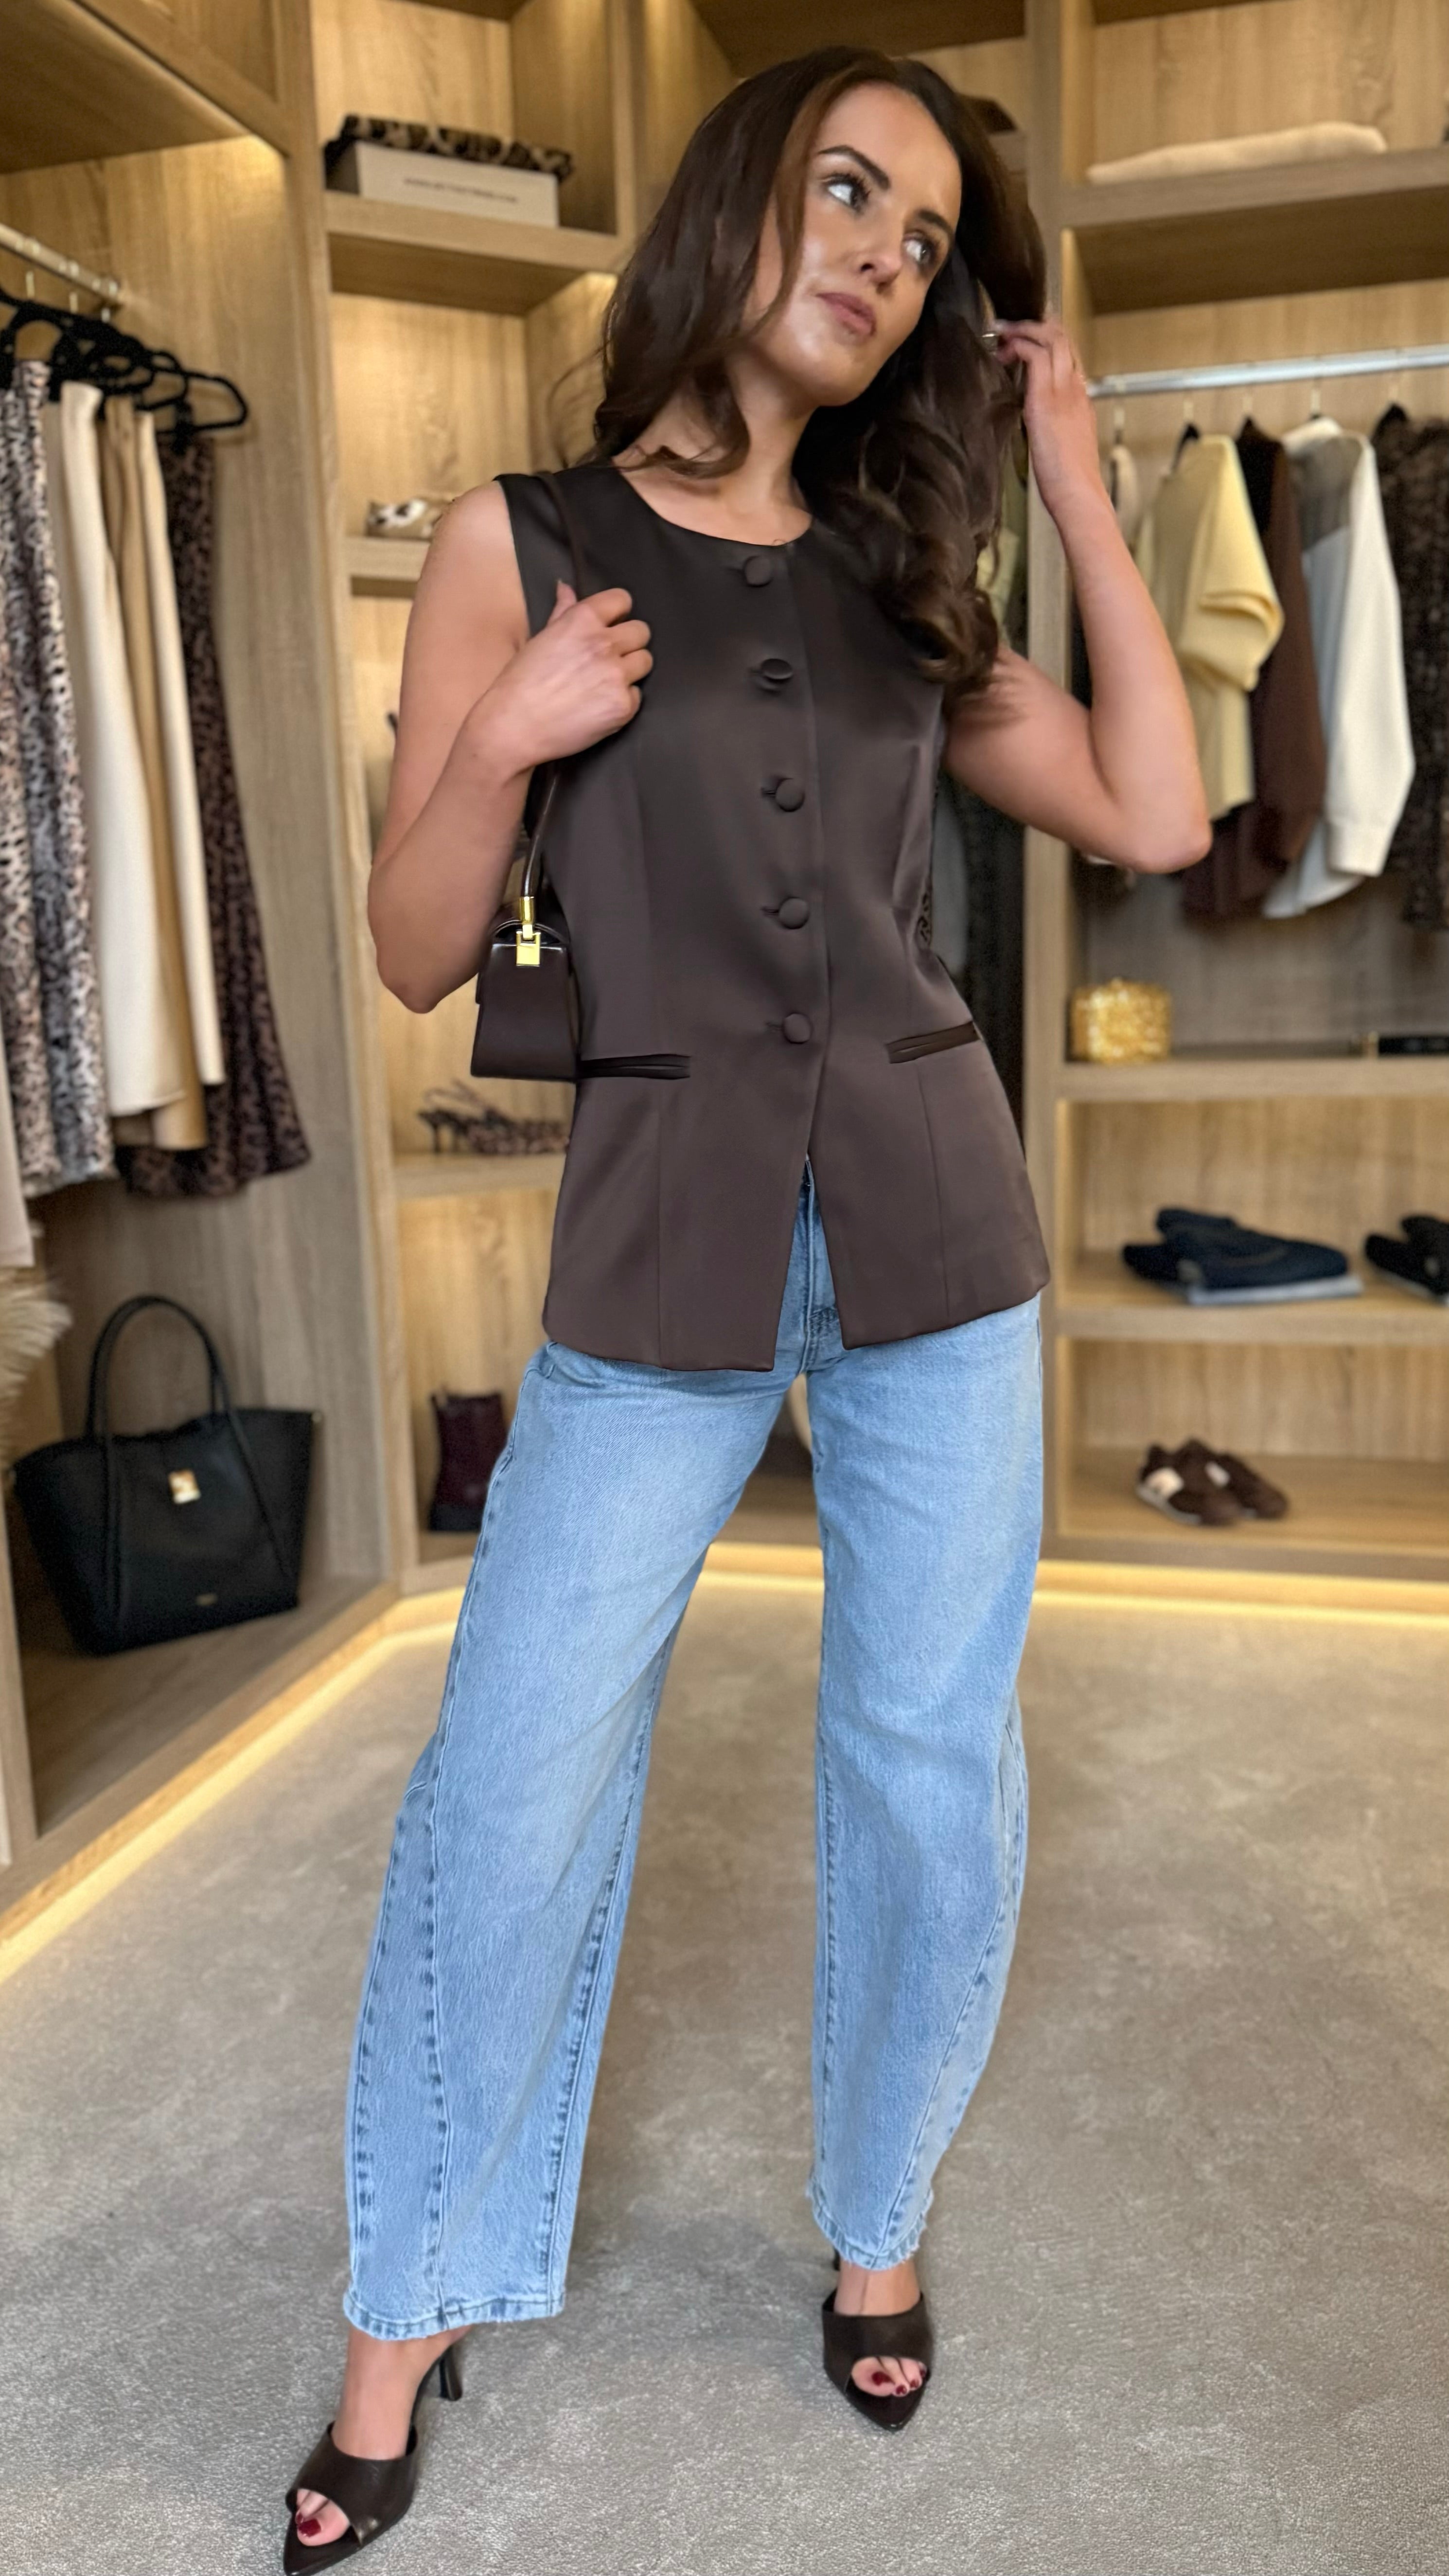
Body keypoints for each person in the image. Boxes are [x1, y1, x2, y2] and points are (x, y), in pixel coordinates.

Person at [285, 46, 1209, 2565]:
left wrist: (1068, 480)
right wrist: (508, 730)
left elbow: (1154, 809)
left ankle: (875, 2218)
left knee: (924, 1761)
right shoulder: (525, 539)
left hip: (936, 1237)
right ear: (739, 197)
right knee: (512, 1771)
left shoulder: (907, 575)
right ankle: (406, 2309)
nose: (886, 256)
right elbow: (408, 943)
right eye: (849, 192)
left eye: (925, 240)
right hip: (659, 1241)